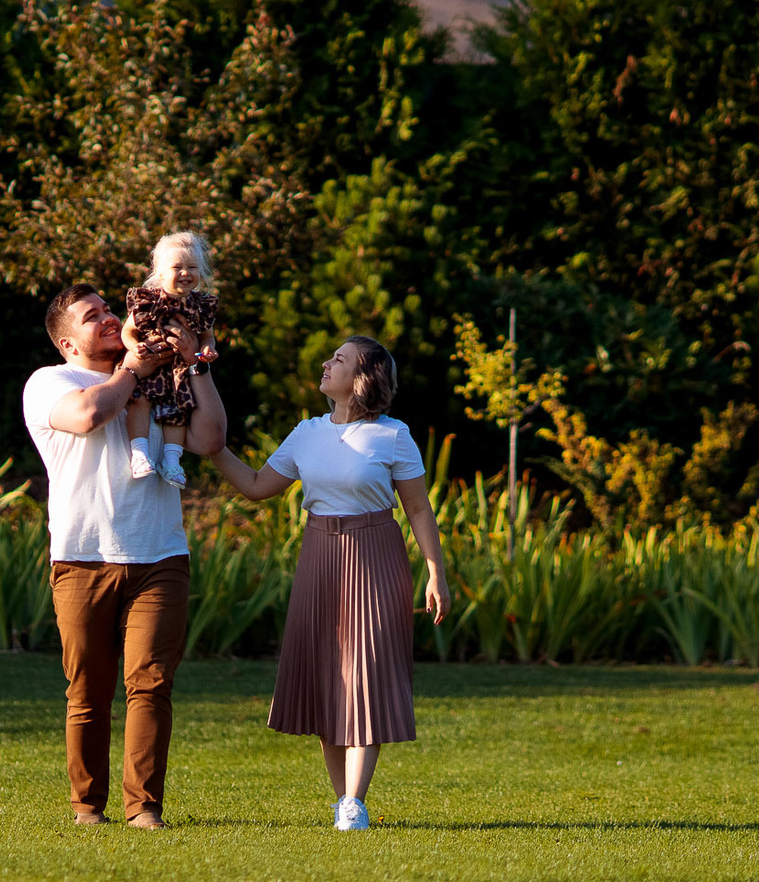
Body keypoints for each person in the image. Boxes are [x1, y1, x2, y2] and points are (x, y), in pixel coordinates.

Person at [209, 336, 450, 832]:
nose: (325, 363)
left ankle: (356, 802)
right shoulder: (306, 433)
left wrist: (435, 573)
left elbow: (419, 509)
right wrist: (213, 450)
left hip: (376, 554)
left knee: (368, 672)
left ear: (363, 376)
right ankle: (344, 801)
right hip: (319, 556)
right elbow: (256, 486)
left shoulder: (393, 435)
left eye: (338, 359)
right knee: (327, 678)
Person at [24, 281, 228, 827]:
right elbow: (89, 415)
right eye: (94, 316)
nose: (110, 318)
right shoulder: (51, 382)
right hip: (82, 558)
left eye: (110, 308)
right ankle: (88, 807)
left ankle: (145, 809)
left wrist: (195, 364)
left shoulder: (161, 375)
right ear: (68, 343)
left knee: (152, 683)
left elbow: (210, 441)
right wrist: (132, 371)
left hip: (160, 554)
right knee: (88, 689)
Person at [122, 231, 222, 485]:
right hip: (149, 366)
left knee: (177, 412)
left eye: (192, 267)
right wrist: (135, 348)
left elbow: (207, 337)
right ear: (161, 273)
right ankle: (139, 454)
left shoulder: (200, 306)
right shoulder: (149, 302)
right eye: (177, 267)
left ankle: (172, 461)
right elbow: (128, 331)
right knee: (140, 401)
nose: (185, 273)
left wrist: (206, 351)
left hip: (179, 372)